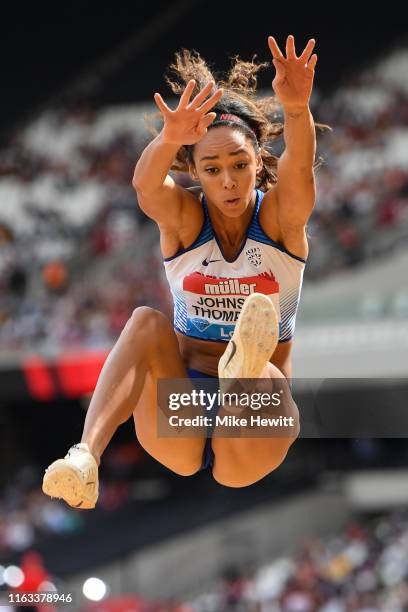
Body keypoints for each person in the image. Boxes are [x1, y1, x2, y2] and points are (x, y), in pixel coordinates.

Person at [42, 34, 318, 509]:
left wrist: (295, 110)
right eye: (212, 169)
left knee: (267, 372)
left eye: (239, 164)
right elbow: (145, 187)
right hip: (182, 414)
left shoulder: (278, 221)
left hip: (254, 427)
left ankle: (244, 373)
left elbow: (300, 173)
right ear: (193, 171)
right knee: (146, 321)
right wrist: (169, 138)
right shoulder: (188, 221)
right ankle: (85, 456)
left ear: (258, 164)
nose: (228, 180)